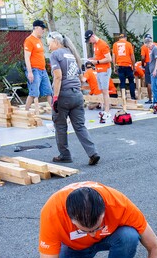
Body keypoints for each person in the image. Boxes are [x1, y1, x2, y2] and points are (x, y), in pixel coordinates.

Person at [47, 31, 100, 166]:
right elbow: (80, 77)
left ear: (55, 41)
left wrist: (55, 97)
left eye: (49, 44)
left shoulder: (55, 55)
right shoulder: (71, 54)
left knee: (60, 126)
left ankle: (65, 155)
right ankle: (92, 152)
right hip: (77, 94)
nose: (48, 48)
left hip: (64, 94)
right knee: (80, 126)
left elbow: (58, 77)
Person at [24, 20, 53, 112]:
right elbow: (27, 57)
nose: (43, 30)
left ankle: (55, 111)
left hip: (42, 70)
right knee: (33, 93)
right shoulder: (29, 40)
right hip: (34, 70)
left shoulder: (39, 40)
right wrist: (30, 72)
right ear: (36, 28)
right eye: (42, 28)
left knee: (49, 91)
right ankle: (26, 111)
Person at [84, 30, 113, 119]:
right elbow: (99, 57)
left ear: (93, 36)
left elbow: (109, 59)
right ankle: (105, 109)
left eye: (90, 40)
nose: (90, 42)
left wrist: (96, 61)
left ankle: (107, 110)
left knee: (105, 91)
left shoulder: (102, 44)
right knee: (102, 91)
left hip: (104, 69)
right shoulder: (95, 45)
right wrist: (92, 59)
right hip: (99, 70)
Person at [112, 33, 136, 101]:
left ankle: (123, 97)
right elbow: (132, 56)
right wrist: (133, 66)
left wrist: (114, 66)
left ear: (119, 38)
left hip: (119, 66)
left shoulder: (115, 45)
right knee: (131, 81)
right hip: (128, 66)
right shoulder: (128, 44)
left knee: (122, 82)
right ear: (125, 38)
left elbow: (113, 56)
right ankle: (133, 97)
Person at [145, 36, 157, 105]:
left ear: (149, 43)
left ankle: (156, 102)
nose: (147, 48)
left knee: (154, 87)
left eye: (147, 46)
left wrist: (155, 70)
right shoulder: (152, 50)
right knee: (155, 87)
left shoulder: (155, 49)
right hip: (152, 71)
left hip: (155, 72)